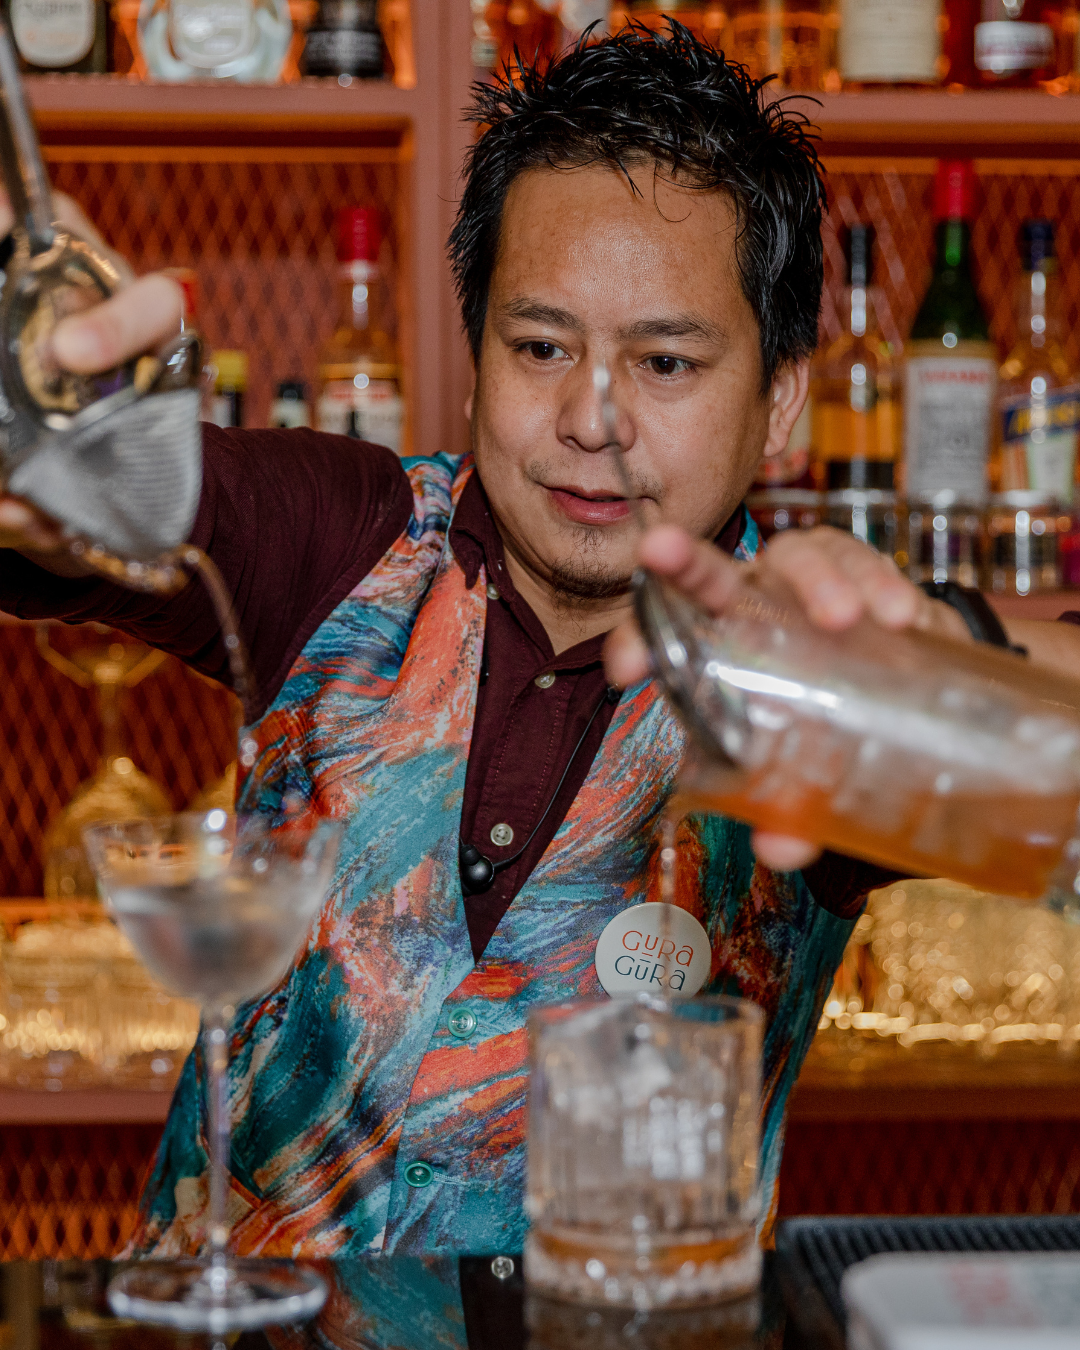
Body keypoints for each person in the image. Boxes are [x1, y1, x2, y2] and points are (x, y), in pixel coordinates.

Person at [2, 25, 1079, 1256]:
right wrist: (40, 421)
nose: (588, 419)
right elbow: (82, 511)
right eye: (541, 347)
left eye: (665, 360)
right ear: (477, 350)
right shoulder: (341, 541)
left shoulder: (797, 674)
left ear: (781, 398)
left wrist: (950, 646)